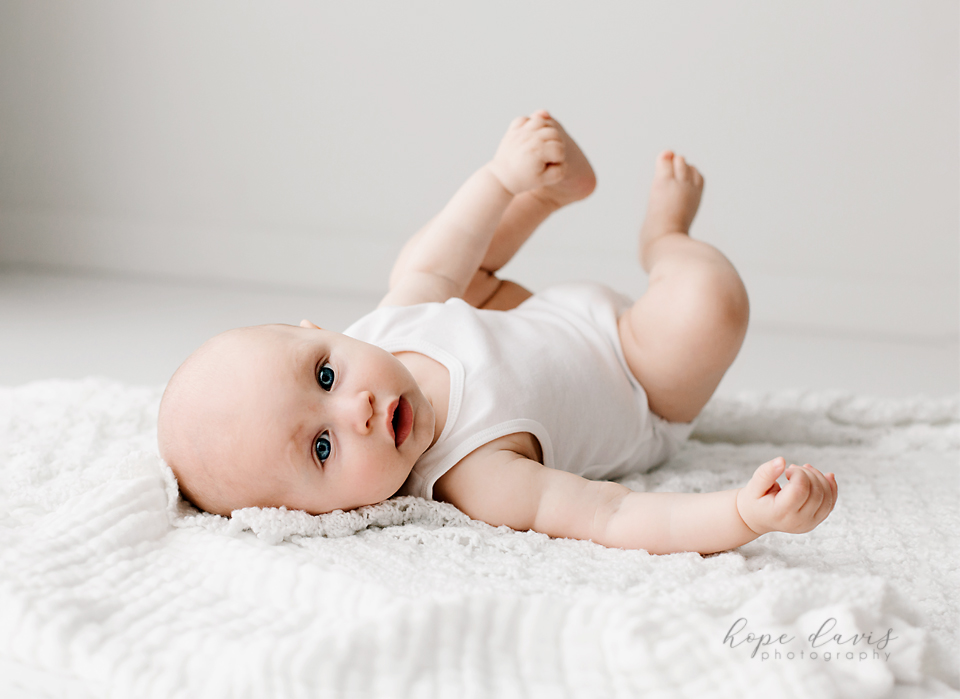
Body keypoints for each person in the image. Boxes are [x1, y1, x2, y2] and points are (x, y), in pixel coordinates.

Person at [157, 110, 838, 555]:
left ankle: (539, 190)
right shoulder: (475, 473)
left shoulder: (381, 335)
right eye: (324, 446)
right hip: (636, 370)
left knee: (425, 269)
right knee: (711, 304)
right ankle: (664, 238)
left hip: (524, 315)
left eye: (325, 374)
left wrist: (498, 177)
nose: (355, 407)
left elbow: (437, 263)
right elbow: (616, 516)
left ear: (319, 331)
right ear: (316, 515)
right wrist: (744, 515)